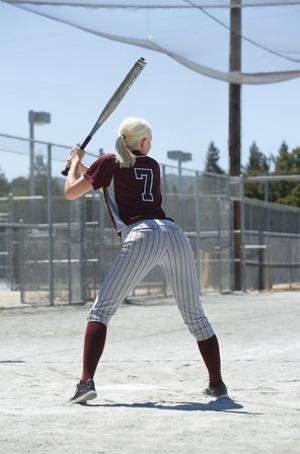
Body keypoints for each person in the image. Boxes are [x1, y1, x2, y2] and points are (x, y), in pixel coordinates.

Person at [64, 117, 227, 404]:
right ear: (141, 143)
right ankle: (217, 383)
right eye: (149, 139)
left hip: (142, 235)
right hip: (173, 233)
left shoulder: (109, 161)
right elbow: (108, 178)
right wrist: (82, 164)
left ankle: (86, 381)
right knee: (195, 315)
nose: (150, 144)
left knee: (101, 310)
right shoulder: (150, 164)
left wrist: (75, 163)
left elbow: (71, 192)